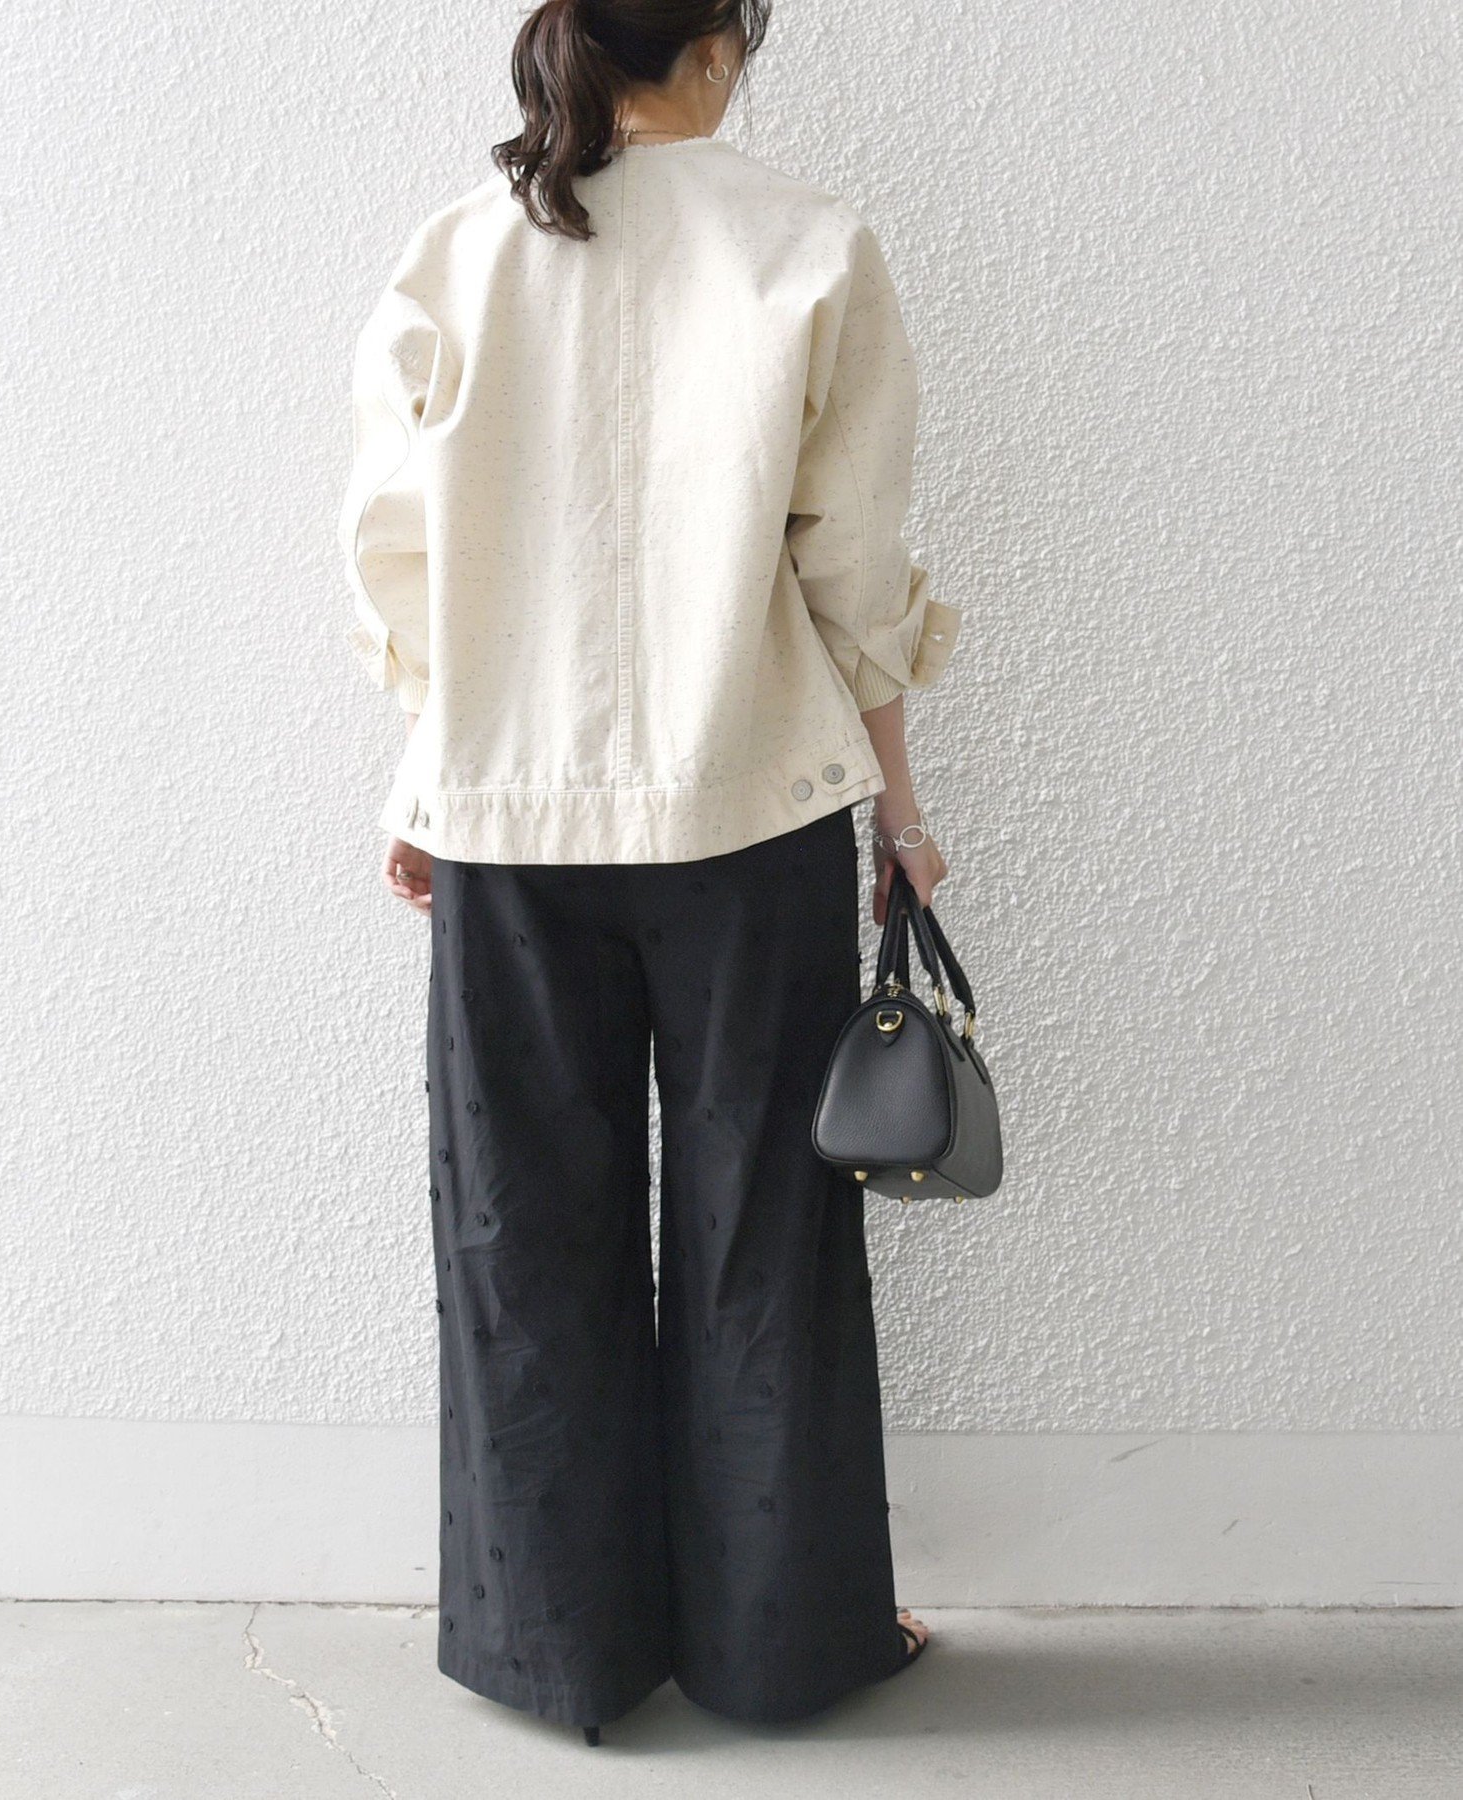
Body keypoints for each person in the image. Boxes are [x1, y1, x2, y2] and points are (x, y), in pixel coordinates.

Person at [338, 0, 959, 1747]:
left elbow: (397, 556)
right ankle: (783, 1647)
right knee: (770, 1231)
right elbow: (853, 578)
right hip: (749, 811)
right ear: (719, 41)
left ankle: (555, 1648)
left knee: (519, 1226)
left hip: (506, 824)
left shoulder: (459, 254)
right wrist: (902, 816)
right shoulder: (805, 246)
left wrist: (430, 774)